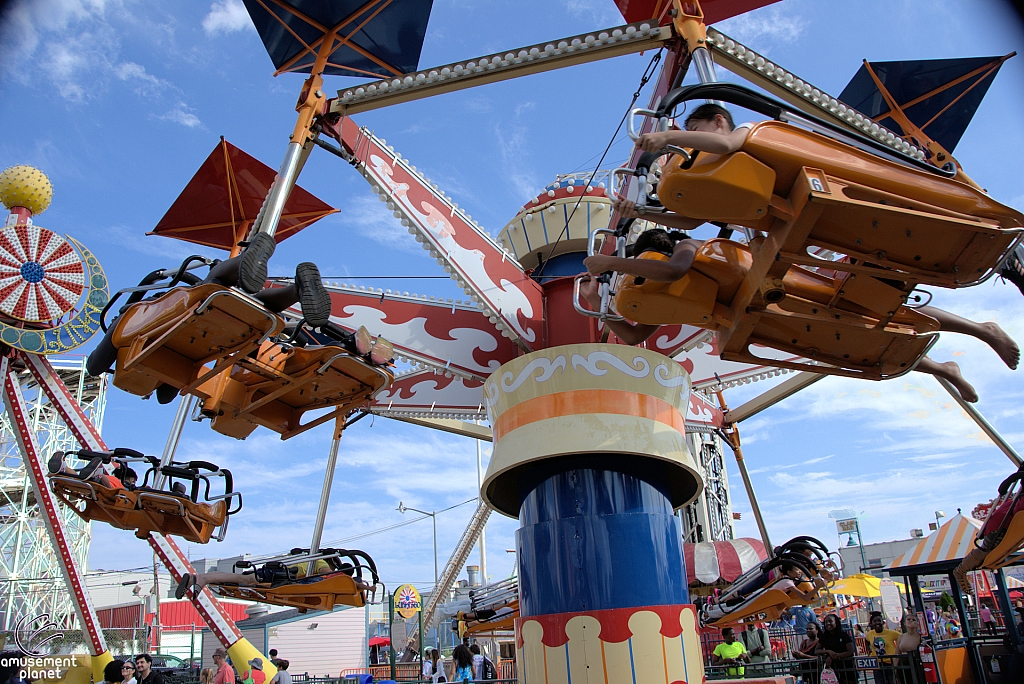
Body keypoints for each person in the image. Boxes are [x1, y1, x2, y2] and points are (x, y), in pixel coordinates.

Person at [580, 106, 1021, 404]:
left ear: (714, 122)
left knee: (873, 303)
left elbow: (723, 161)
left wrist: (666, 137)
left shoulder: (737, 141)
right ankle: (941, 366)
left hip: (806, 245)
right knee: (854, 330)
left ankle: (982, 330)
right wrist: (634, 219)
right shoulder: (687, 263)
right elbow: (689, 223)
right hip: (774, 270)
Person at [816, 614, 855, 684]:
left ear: (836, 622)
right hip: (832, 670)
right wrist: (828, 651)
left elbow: (851, 651)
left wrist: (834, 657)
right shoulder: (824, 637)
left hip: (847, 668)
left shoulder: (844, 635)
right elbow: (817, 651)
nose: (828, 624)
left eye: (830, 621)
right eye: (826, 622)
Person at [865, 611, 901, 684]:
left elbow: (902, 638)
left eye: (879, 620)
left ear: (882, 622)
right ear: (872, 623)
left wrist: (899, 649)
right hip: (877, 665)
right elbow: (866, 640)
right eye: (874, 621)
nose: (877, 623)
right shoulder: (870, 634)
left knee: (893, 682)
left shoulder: (891, 633)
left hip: (890, 663)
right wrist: (869, 651)